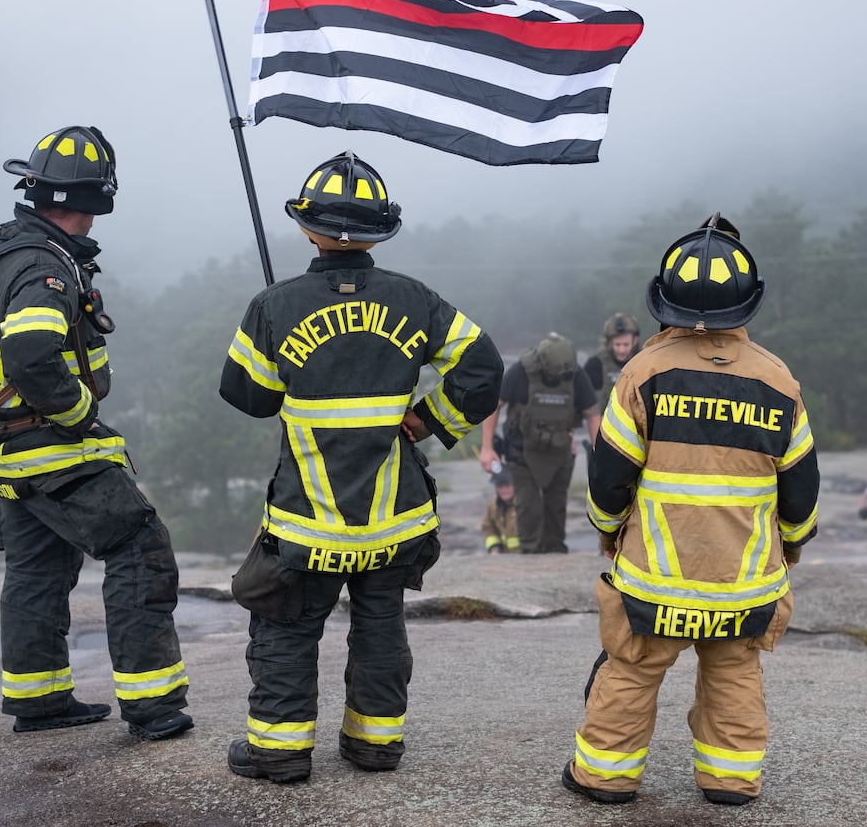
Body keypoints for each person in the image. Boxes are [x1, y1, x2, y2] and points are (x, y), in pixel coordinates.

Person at [219, 151, 503, 784]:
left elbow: (248, 397)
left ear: (306, 228)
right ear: (380, 230)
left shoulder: (274, 305)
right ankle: (376, 745)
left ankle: (279, 751)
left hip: (307, 521)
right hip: (392, 521)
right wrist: (431, 422)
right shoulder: (417, 302)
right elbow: (482, 371)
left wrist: (282, 344)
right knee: (380, 626)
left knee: (287, 628)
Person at [565, 213, 820, 807]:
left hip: (655, 578)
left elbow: (609, 477)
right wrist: (793, 545)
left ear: (665, 304)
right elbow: (801, 491)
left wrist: (608, 531)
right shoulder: (779, 382)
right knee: (733, 672)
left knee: (631, 668)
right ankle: (729, 780)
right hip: (743, 585)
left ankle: (604, 777)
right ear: (747, 305)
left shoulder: (643, 374)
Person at [0, 126, 192, 740]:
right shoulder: (45, 267)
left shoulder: (9, 251)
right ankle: (153, 706)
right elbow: (31, 355)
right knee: (139, 545)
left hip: (9, 449)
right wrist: (75, 415)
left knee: (38, 565)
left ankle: (39, 700)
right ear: (94, 201)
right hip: (49, 445)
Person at [480, 333, 598, 553]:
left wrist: (599, 453)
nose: (561, 376)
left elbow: (592, 414)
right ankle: (530, 559)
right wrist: (487, 448)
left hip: (560, 451)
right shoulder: (520, 373)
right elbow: (493, 405)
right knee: (528, 510)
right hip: (521, 452)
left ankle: (555, 558)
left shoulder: (574, 373)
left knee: (556, 510)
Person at [582, 313, 642, 426]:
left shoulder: (644, 362)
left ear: (634, 341)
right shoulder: (595, 364)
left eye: (626, 344)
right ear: (609, 342)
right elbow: (582, 398)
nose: (621, 350)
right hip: (605, 429)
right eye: (617, 344)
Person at [481, 467, 520, 553]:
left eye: (507, 485)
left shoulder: (524, 505)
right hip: (504, 557)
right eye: (500, 486)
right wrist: (495, 547)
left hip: (527, 556)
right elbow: (488, 528)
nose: (504, 490)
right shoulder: (493, 506)